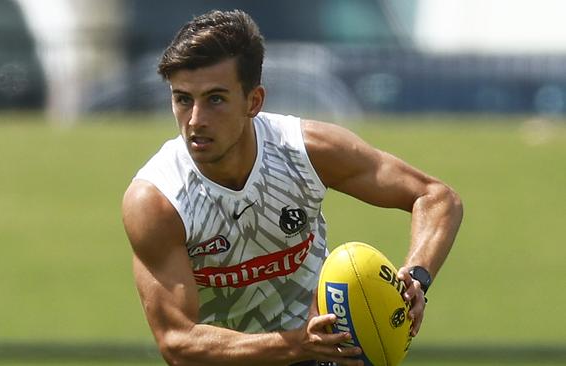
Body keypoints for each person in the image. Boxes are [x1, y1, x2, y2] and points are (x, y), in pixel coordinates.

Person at [121, 9, 463, 366]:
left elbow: (437, 197)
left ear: (254, 101)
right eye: (183, 99)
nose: (195, 120)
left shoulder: (307, 151)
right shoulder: (157, 199)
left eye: (215, 99)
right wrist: (297, 345)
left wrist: (416, 279)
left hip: (321, 354)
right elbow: (178, 343)